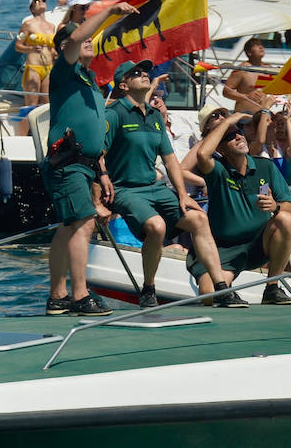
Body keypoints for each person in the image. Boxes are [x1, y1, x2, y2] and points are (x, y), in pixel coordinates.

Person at [104, 59, 244, 309]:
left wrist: (182, 194)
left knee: (199, 219)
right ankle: (148, 288)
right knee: (156, 226)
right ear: (123, 85)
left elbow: (170, 160)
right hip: (126, 189)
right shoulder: (114, 114)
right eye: (135, 73)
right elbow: (98, 156)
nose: (144, 74)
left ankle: (222, 288)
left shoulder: (155, 116)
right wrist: (98, 198)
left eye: (144, 71)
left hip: (155, 188)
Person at [41, 1, 140, 318]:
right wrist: (109, 13)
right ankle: (80, 296)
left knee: (68, 227)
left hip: (85, 163)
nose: (87, 40)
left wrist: (102, 171)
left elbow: (93, 128)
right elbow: (77, 36)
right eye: (79, 37)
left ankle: (58, 296)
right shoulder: (65, 69)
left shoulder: (86, 78)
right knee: (83, 223)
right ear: (64, 46)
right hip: (66, 162)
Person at [191, 111, 291, 304]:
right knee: (210, 295)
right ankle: (227, 289)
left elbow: (288, 208)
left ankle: (272, 287)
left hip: (259, 242)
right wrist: (230, 120)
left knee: (286, 219)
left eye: (239, 131)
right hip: (222, 248)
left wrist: (275, 206)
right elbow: (202, 153)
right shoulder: (218, 170)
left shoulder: (266, 167)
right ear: (221, 148)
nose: (239, 136)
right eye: (230, 136)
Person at [15, 0, 56, 108]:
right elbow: (18, 45)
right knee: (32, 104)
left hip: (49, 68)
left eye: (43, 0)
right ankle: (27, 126)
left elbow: (52, 48)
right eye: (36, 1)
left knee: (47, 104)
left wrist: (56, 53)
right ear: (32, 8)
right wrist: (31, 49)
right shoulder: (27, 25)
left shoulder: (52, 26)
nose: (40, 2)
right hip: (33, 68)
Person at [222, 38, 273, 112]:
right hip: (244, 116)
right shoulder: (242, 70)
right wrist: (247, 96)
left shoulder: (268, 69)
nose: (261, 47)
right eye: (256, 45)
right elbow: (226, 92)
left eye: (261, 45)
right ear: (249, 52)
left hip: (262, 115)